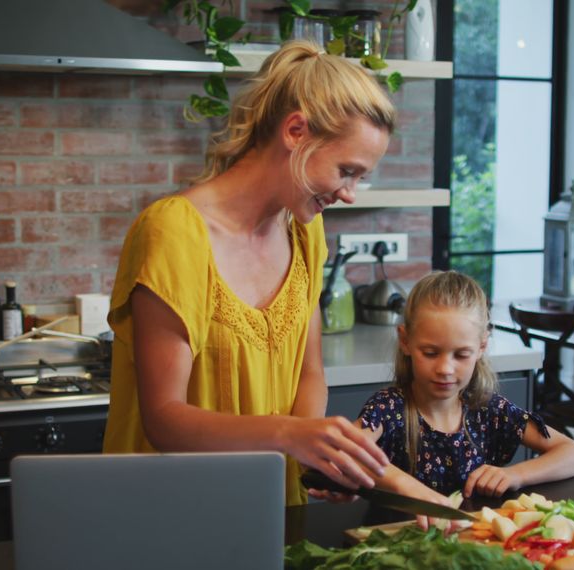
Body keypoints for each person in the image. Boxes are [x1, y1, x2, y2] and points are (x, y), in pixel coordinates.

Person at [102, 41, 395, 505]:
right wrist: (291, 436)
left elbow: (309, 373)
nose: (350, 193)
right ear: (296, 130)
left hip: (268, 504)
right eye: (347, 171)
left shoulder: (305, 231)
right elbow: (163, 418)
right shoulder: (174, 231)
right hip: (171, 511)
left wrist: (312, 457)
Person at [357, 271, 574, 526]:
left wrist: (515, 475)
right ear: (405, 340)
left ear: (481, 347)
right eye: (431, 352)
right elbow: (346, 454)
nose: (445, 368)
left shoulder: (489, 410)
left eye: (461, 355)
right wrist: (408, 487)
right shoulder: (387, 409)